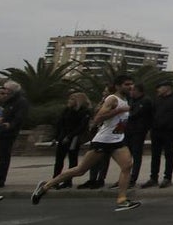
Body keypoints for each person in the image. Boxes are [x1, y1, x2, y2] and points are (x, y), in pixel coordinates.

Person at [32, 74, 141, 211]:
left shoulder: (127, 100)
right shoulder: (112, 99)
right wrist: (118, 110)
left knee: (127, 165)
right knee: (80, 170)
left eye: (131, 84)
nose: (130, 87)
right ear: (118, 86)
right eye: (127, 84)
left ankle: (122, 200)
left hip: (117, 140)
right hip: (103, 141)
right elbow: (98, 118)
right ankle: (45, 186)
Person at [52, 92, 92, 185]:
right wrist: (56, 136)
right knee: (59, 160)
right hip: (63, 137)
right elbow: (60, 123)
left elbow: (82, 126)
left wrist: (70, 136)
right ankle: (55, 180)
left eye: (72, 99)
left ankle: (68, 181)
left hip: (74, 138)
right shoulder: (67, 110)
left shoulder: (84, 112)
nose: (69, 101)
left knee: (72, 160)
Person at [0, 80, 28, 190]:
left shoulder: (20, 102)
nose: (4, 91)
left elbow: (19, 118)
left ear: (12, 91)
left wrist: (9, 126)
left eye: (6, 89)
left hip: (7, 134)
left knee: (3, 157)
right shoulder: (6, 101)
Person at [125, 82, 153, 187]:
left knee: (136, 154)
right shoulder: (131, 100)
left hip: (138, 131)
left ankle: (133, 178)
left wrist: (125, 112)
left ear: (138, 91)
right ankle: (125, 177)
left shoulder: (145, 101)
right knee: (126, 155)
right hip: (128, 130)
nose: (130, 92)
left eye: (132, 90)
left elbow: (134, 114)